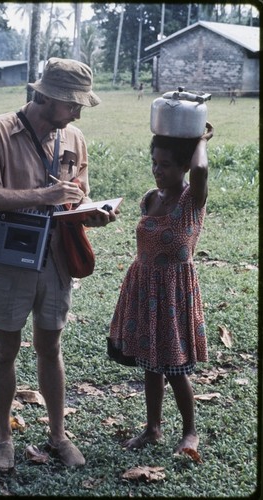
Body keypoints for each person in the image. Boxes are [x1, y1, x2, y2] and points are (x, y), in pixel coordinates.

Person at [0, 57, 118, 470]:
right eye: (73, 104)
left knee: (51, 347)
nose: (77, 112)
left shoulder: (74, 138)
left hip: (57, 259)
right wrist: (41, 196)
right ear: (47, 97)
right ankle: (3, 439)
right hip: (10, 259)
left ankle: (58, 436)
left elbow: (76, 197)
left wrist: (92, 213)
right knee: (6, 348)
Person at [107, 122, 214, 455]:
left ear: (182, 166)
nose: (157, 170)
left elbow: (201, 167)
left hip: (174, 294)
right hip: (144, 289)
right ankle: (152, 429)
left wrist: (200, 139)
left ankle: (190, 433)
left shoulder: (192, 199)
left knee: (176, 368)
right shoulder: (150, 198)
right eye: (154, 162)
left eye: (165, 165)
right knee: (150, 364)